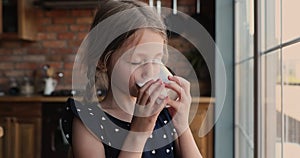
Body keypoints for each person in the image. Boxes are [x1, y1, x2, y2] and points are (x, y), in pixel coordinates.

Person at [61, 0, 202, 157]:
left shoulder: (164, 114)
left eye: (157, 59)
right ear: (102, 60)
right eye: (137, 61)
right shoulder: (89, 123)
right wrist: (139, 132)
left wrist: (182, 125)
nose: (150, 71)